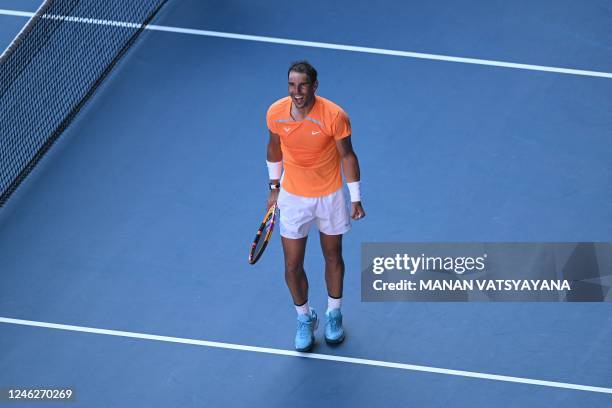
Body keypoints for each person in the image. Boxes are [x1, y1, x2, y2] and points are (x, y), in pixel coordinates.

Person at [265, 60, 365, 352]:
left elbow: (347, 156)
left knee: (333, 256)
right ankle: (304, 318)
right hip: (293, 198)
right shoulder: (275, 113)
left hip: (329, 196)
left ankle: (334, 314)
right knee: (292, 265)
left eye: (303, 85)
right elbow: (273, 148)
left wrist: (355, 196)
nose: (297, 92)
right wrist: (274, 189)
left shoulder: (334, 115)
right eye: (292, 85)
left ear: (314, 86)